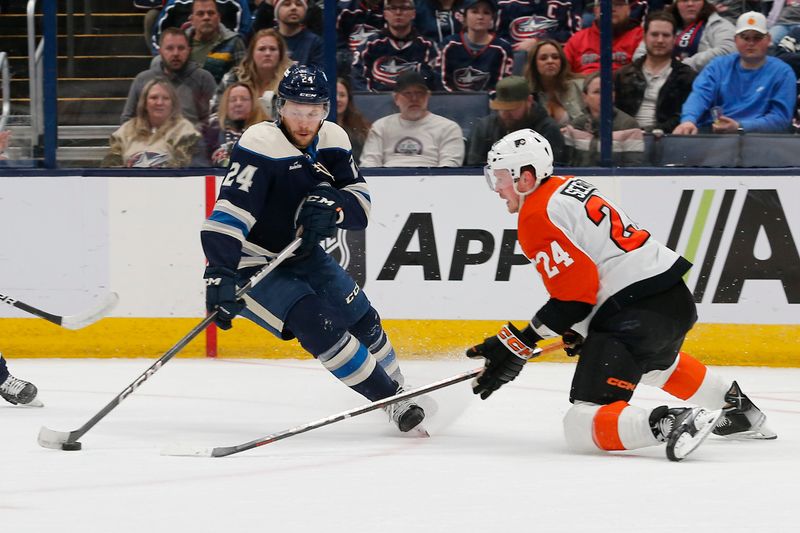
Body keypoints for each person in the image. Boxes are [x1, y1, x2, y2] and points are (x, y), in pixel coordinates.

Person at [465, 127, 776, 461]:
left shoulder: (536, 215)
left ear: (525, 177)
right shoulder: (567, 187)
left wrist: (521, 341)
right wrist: (579, 328)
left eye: (500, 177)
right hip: (670, 300)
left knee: (581, 425)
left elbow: (575, 295)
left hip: (632, 313)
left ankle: (671, 422)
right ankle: (740, 411)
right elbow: (594, 273)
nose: (497, 189)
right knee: (657, 365)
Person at [200, 64, 425, 433]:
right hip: (249, 262)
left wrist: (334, 207)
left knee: (364, 320)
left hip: (300, 253)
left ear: (325, 110)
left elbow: (360, 205)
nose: (304, 122)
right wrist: (220, 275)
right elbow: (228, 215)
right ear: (280, 108)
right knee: (319, 324)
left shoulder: (334, 139)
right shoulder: (259, 145)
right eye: (294, 111)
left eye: (313, 112)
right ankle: (394, 403)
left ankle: (402, 389)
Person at [673, 11, 797, 134]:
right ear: (735, 40)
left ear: (768, 39)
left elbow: (781, 119)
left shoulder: (783, 72)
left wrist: (740, 126)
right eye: (745, 37)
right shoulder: (717, 66)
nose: (751, 42)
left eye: (757, 37)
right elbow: (699, 96)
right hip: (715, 137)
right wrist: (688, 120)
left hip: (761, 141)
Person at [359, 71, 465, 167]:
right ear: (396, 98)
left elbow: (450, 166)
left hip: (432, 182)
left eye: (419, 93)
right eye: (407, 94)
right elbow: (369, 163)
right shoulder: (381, 126)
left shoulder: (448, 128)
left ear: (428, 96)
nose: (414, 99)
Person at [615, 11, 697, 133]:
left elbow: (683, 116)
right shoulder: (622, 75)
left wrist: (650, 131)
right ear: (644, 37)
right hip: (625, 140)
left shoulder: (687, 76)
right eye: (654, 34)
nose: (660, 40)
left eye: (666, 35)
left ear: (674, 39)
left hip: (667, 141)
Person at [122, 27, 217, 127]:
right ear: (160, 51)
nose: (176, 53)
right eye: (170, 48)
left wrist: (191, 133)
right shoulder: (142, 79)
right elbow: (128, 119)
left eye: (181, 48)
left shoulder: (203, 78)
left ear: (189, 50)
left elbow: (214, 117)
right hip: (150, 140)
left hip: (192, 139)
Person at [104, 78, 206, 167]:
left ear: (173, 104)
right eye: (154, 98)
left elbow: (187, 169)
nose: (159, 103)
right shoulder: (125, 131)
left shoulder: (185, 131)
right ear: (144, 103)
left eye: (165, 98)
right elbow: (110, 167)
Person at [465, 75, 565, 165]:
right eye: (502, 108)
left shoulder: (548, 129)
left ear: (529, 101)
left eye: (513, 108)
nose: (506, 114)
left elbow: (552, 168)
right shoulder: (484, 127)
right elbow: (474, 166)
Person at [352, 0, 440, 91]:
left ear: (413, 14)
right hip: (376, 103)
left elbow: (434, 83)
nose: (398, 12)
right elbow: (358, 80)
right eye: (392, 8)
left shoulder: (428, 47)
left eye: (404, 8)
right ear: (385, 14)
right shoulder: (369, 45)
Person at [210, 28, 294, 123]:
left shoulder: (291, 82)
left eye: (273, 49)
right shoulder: (233, 78)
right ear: (251, 54)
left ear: (280, 54)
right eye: (261, 49)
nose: (267, 53)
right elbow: (215, 112)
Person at [562, 72, 644, 166]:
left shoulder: (629, 125)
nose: (604, 96)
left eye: (608, 91)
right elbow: (567, 164)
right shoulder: (575, 126)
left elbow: (633, 168)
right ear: (585, 97)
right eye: (597, 92)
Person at [439, 0, 514, 93]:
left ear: (492, 18)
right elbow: (440, 82)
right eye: (474, 12)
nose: (480, 17)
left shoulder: (502, 48)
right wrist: (456, 100)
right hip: (452, 103)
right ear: (464, 16)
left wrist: (483, 102)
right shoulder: (449, 44)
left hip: (489, 105)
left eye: (486, 13)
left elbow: (502, 87)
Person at [563, 0, 643, 75]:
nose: (611, 9)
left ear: (628, 10)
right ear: (595, 10)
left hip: (623, 86)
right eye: (606, 4)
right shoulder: (577, 39)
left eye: (618, 4)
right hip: (583, 85)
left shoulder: (640, 36)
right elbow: (562, 72)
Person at [524, 39, 584, 126]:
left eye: (555, 57)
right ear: (534, 64)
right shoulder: (526, 93)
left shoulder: (579, 85)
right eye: (543, 58)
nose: (550, 61)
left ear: (562, 62)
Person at [205, 83, 267, 167]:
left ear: (253, 103)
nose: (238, 103)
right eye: (233, 100)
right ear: (225, 104)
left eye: (244, 99)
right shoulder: (211, 131)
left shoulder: (267, 132)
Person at [666, 0, 736, 72]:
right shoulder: (665, 25)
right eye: (684, 0)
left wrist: (684, 64)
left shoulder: (719, 24)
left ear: (704, 3)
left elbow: (728, 51)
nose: (690, 4)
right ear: (676, 4)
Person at [186, 0, 246, 83]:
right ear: (191, 20)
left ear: (218, 18)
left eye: (211, 13)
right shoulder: (180, 44)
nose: (206, 17)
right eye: (200, 14)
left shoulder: (234, 42)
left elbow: (242, 79)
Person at [275, 0, 324, 66]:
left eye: (298, 4)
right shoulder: (267, 40)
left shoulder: (315, 42)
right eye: (287, 4)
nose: (294, 7)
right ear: (277, 10)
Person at [335, 76, 372, 163]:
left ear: (349, 99)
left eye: (342, 95)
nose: (338, 99)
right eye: (333, 94)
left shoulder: (361, 126)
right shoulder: (314, 126)